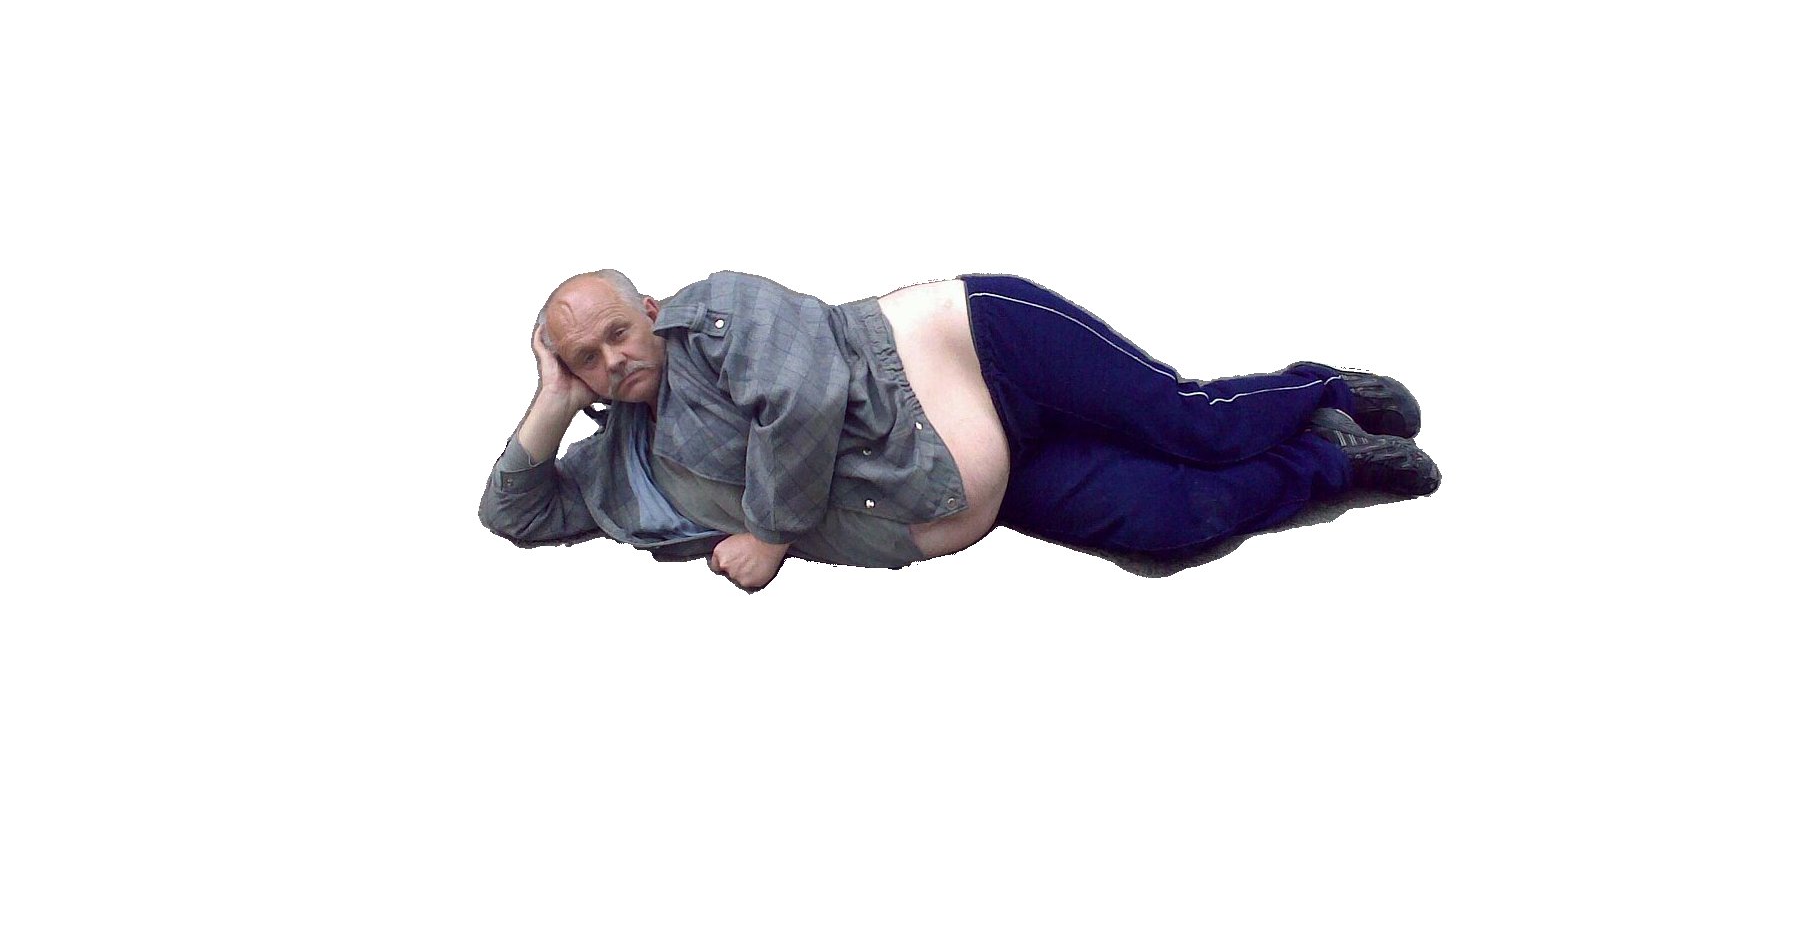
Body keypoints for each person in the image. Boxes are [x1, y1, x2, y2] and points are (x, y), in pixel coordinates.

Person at [479, 270, 1439, 591]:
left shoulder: (717, 314)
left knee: (1189, 425)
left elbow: (804, 398)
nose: (613, 361)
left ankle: (1322, 389)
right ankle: (1329, 455)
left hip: (981, 349)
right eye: (587, 359)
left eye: (618, 333)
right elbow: (512, 514)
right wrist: (550, 401)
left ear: (651, 309)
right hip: (973, 473)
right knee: (1166, 525)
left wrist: (769, 533)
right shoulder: (618, 472)